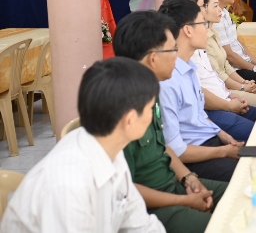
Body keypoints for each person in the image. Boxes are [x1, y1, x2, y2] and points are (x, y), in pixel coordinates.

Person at [0, 57, 165, 233]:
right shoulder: (68, 185)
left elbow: (139, 223)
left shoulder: (111, 148)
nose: (152, 116)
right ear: (130, 120)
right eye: (150, 109)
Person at [113, 11, 228, 233]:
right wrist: (183, 201)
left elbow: (162, 146)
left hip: (175, 185)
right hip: (151, 209)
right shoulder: (121, 109)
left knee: (245, 193)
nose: (177, 56)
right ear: (153, 59)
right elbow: (124, 191)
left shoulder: (150, 91)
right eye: (173, 50)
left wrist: (188, 178)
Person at [158, 0, 244, 182]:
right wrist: (223, 151)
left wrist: (222, 135)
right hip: (196, 158)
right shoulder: (168, 79)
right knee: (251, 176)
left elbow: (199, 115)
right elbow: (176, 149)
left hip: (212, 141)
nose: (208, 30)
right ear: (188, 30)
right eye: (203, 24)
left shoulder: (189, 66)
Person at [163, 0, 256, 105]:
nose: (203, 12)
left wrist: (239, 86)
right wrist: (233, 99)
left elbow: (217, 72)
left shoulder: (202, 40)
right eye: (201, 6)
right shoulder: (184, 53)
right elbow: (201, 92)